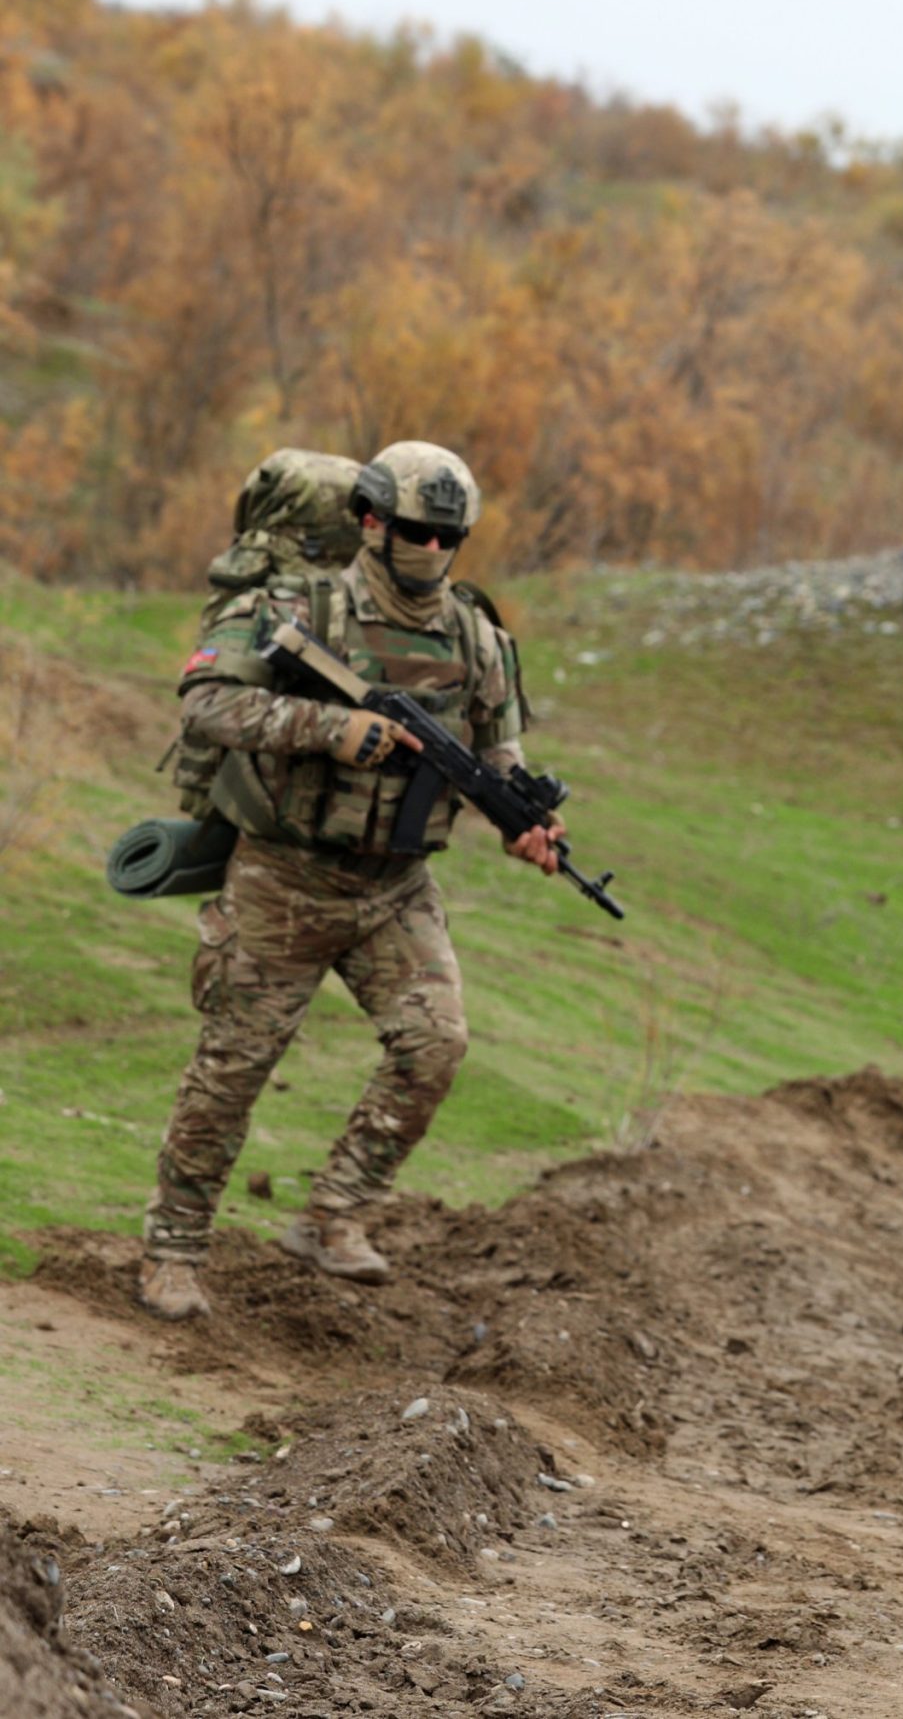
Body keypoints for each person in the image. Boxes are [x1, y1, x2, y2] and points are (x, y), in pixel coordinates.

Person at [138, 442, 559, 1322]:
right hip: (284, 878)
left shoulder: (477, 633)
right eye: (414, 532)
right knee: (232, 1071)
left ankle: (335, 1214)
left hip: (396, 889)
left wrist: (524, 817)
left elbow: (496, 749)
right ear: (370, 520)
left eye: (450, 537)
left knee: (435, 1046)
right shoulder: (299, 606)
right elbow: (207, 703)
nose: (432, 553)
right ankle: (172, 1249)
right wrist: (328, 729)